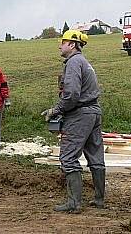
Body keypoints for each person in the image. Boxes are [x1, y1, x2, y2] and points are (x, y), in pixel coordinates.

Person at [41, 29, 106, 213]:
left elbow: (71, 95)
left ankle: (74, 203)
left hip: (80, 115)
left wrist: (56, 110)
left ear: (72, 44)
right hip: (93, 111)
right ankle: (99, 200)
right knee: (96, 157)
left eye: (63, 42)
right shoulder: (84, 62)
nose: (60, 45)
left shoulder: (73, 62)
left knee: (68, 157)